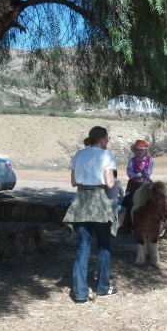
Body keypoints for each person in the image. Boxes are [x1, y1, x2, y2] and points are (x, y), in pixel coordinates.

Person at [63, 126, 118, 305]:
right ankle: (102, 287)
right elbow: (110, 183)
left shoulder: (79, 155)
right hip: (99, 201)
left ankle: (79, 293)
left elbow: (73, 182)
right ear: (101, 138)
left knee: (82, 248)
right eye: (107, 138)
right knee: (103, 246)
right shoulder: (106, 155)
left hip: (82, 201)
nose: (108, 141)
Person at [118, 139, 167, 227]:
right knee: (127, 198)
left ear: (145, 150)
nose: (140, 151)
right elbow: (129, 171)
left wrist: (143, 178)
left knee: (160, 193)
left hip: (146, 181)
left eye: (142, 149)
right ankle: (122, 218)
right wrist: (135, 178)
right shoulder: (131, 161)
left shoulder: (150, 160)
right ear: (135, 150)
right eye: (138, 149)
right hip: (134, 182)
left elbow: (149, 171)